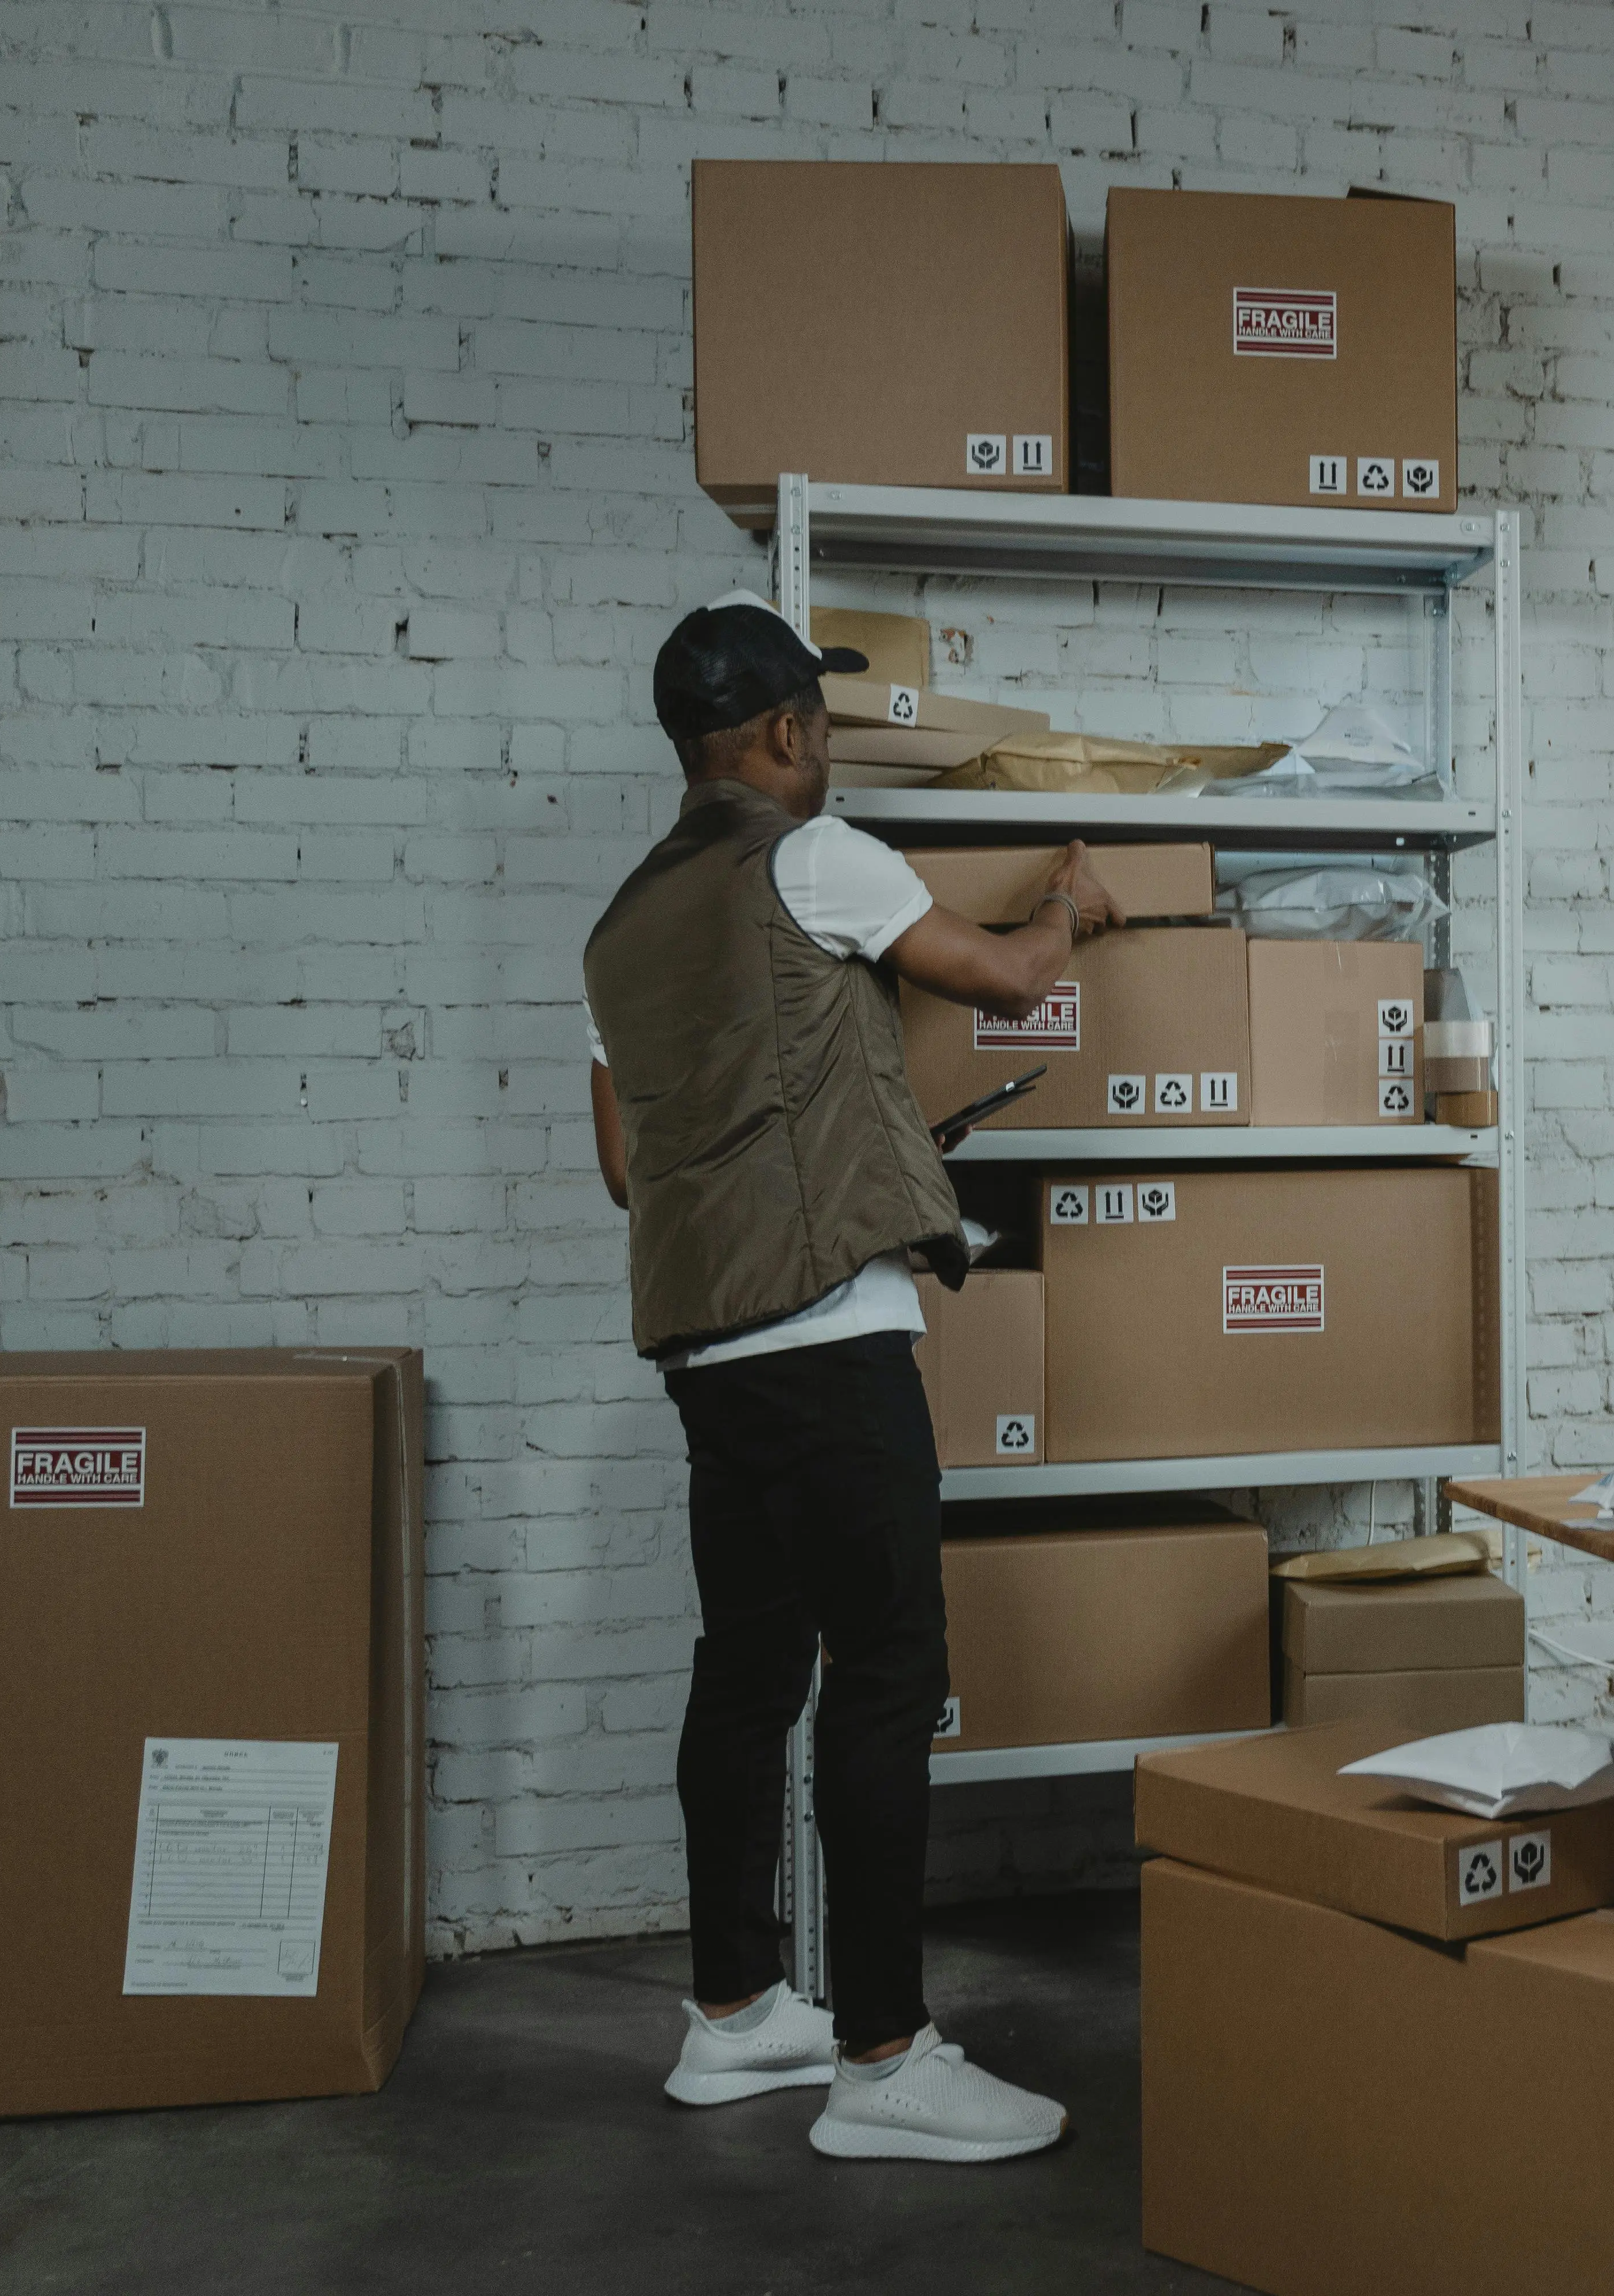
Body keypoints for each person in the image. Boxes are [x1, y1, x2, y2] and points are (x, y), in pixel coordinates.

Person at [583, 592, 1120, 2163]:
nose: (823, 740)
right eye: (813, 719)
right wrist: (1075, 910)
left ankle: (736, 2019)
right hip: (831, 1346)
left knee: (747, 1676)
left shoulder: (619, 928)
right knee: (888, 1674)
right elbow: (1005, 982)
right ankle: (887, 2056)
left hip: (710, 1361)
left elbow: (631, 1169)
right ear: (780, 734)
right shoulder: (816, 862)